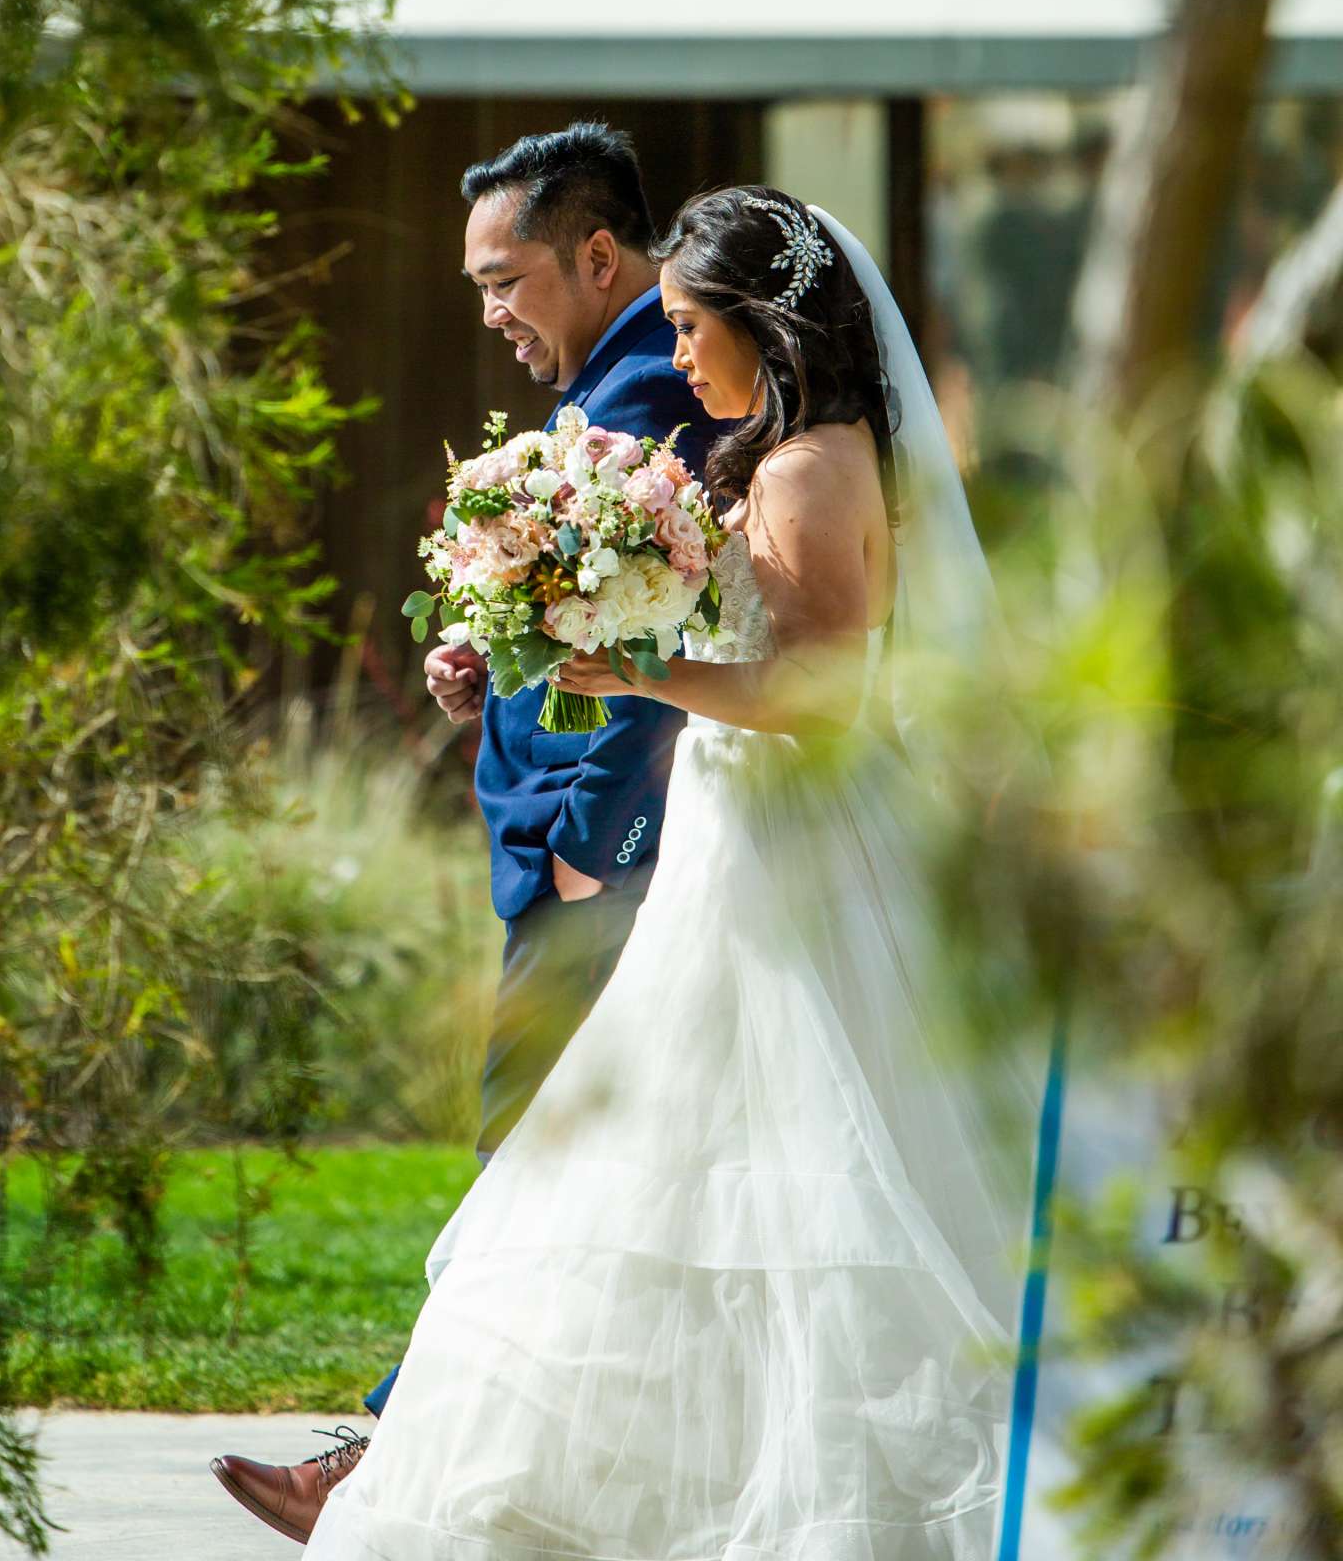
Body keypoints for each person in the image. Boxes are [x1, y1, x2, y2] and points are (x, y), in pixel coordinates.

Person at [299, 187, 1037, 1561]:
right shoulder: (768, 448)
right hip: (732, 830)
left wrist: (639, 666)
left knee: (802, 1154)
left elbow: (819, 696)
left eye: (696, 327)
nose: (680, 352)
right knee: (694, 1150)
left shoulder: (815, 465)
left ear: (768, 324)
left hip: (795, 840)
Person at [212, 123, 725, 1543]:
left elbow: (669, 642)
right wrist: (485, 658)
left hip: (600, 861)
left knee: (530, 1155)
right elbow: (584, 621)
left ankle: (378, 1461)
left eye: (505, 280)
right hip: (575, 845)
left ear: (598, 255)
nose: (488, 313)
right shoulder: (617, 386)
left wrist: (598, 845)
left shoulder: (646, 399)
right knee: (573, 1165)